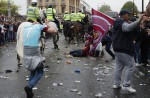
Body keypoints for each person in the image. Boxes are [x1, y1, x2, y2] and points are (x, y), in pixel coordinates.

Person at [16, 19, 57, 98]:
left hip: (26, 49)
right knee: (40, 72)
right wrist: (47, 24)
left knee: (33, 70)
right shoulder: (40, 26)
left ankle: (29, 91)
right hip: (34, 50)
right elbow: (54, 31)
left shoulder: (26, 27)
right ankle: (29, 87)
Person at [112, 9, 142, 93]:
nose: (129, 16)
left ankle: (116, 84)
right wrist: (138, 20)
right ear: (123, 15)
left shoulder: (118, 22)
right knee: (131, 65)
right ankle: (126, 85)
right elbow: (127, 28)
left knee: (118, 67)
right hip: (123, 48)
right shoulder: (121, 22)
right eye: (128, 15)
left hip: (117, 48)